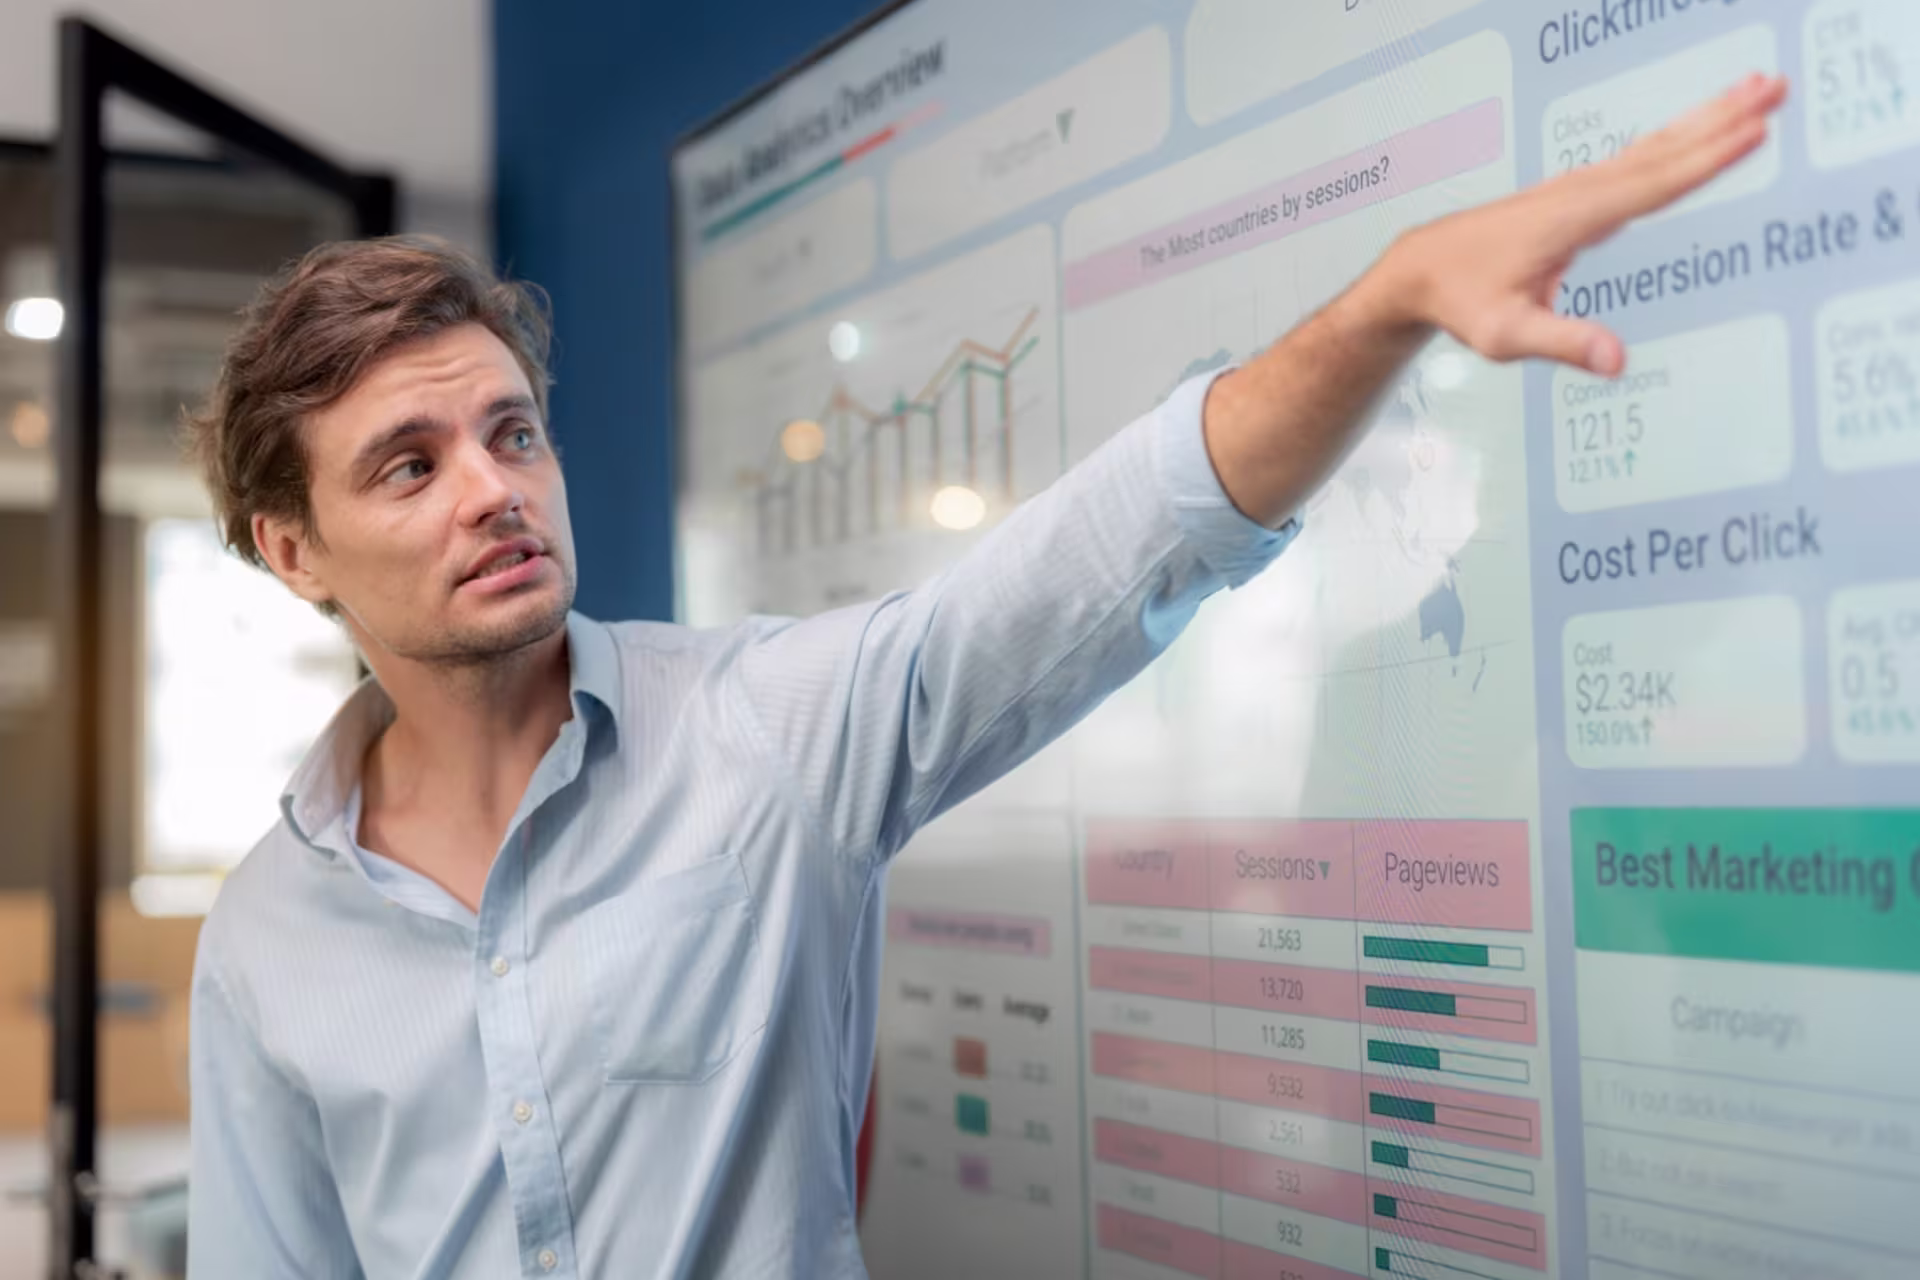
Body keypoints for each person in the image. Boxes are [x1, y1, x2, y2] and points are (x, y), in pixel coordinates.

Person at [184, 75, 1788, 1278]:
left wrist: (1386, 308)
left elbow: (1109, 552)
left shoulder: (765, 735)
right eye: (409, 465)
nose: (493, 488)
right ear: (293, 549)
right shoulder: (267, 938)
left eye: (512, 432)